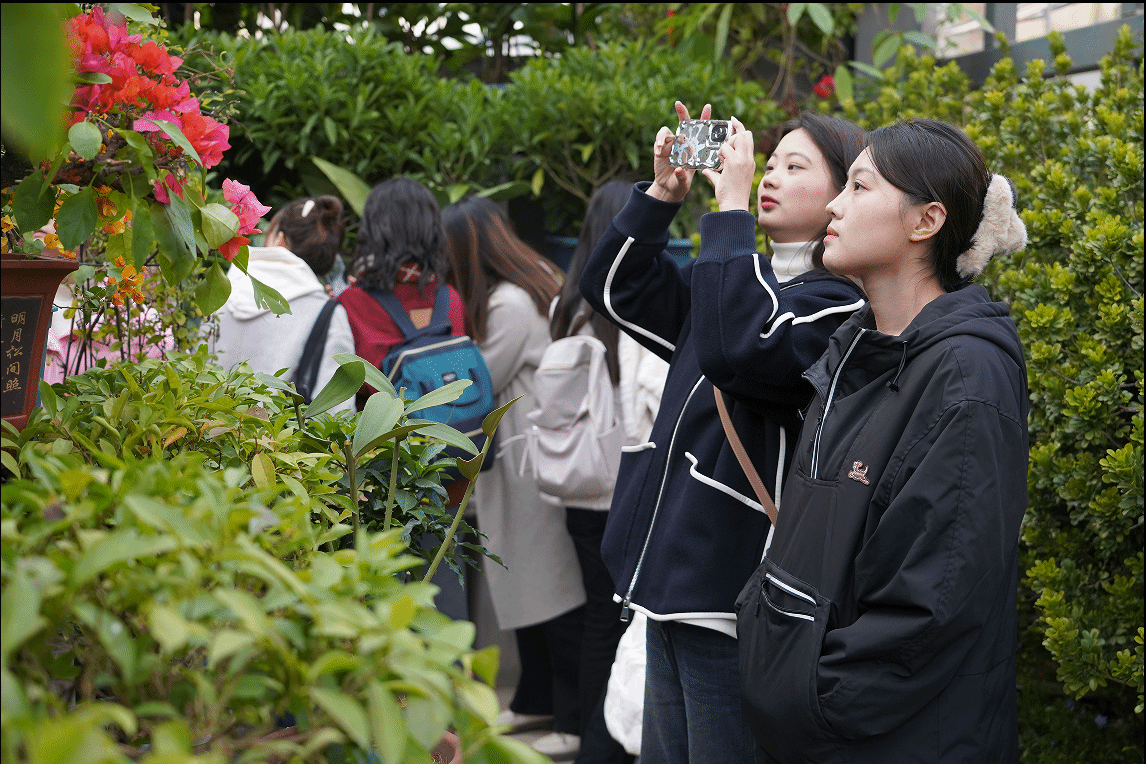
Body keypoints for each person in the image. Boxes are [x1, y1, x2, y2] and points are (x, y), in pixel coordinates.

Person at [577, 103, 867, 764]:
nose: (769, 177)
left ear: (842, 196)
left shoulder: (840, 303)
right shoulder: (734, 280)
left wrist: (730, 211)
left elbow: (744, 345)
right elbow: (613, 288)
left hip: (735, 595)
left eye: (795, 167)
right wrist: (662, 196)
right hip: (669, 582)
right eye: (770, 164)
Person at [736, 118, 1030, 763]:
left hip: (887, 739)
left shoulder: (967, 376)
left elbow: (934, 604)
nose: (834, 205)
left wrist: (816, 701)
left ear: (926, 221)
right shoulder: (854, 351)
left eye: (860, 187)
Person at [442, 195, 587, 761]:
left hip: (527, 461)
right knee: (533, 583)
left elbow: (478, 381)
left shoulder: (508, 303)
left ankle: (572, 717)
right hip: (534, 456)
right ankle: (536, 698)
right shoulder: (535, 281)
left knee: (550, 589)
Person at [549, 179, 670, 764]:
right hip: (626, 487)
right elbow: (651, 402)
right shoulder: (633, 302)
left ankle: (589, 738)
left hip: (577, 487)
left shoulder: (568, 304)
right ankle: (605, 746)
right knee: (620, 622)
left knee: (597, 616)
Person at [336, 177, 467, 411]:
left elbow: (352, 385)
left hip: (385, 432)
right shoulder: (450, 298)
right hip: (451, 429)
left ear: (373, 231)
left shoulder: (353, 302)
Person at [215, 195, 354, 413]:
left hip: (198, 429)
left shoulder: (220, 290)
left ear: (279, 240)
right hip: (277, 434)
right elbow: (338, 410)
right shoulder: (327, 314)